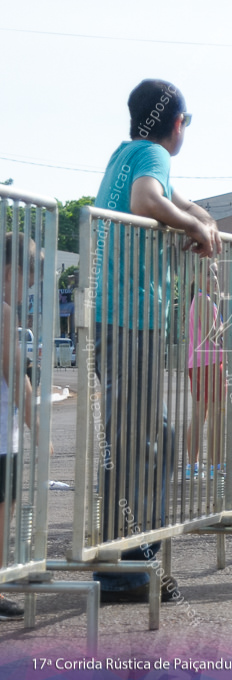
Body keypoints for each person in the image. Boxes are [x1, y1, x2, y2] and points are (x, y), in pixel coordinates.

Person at [92, 79, 221, 603]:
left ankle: (136, 547)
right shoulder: (151, 155)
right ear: (177, 124)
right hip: (127, 319)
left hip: (120, 319)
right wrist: (192, 225)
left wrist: (197, 223)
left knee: (158, 437)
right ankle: (121, 562)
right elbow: (150, 200)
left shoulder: (126, 153)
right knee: (130, 439)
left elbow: (192, 210)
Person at [0, 233, 39, 620]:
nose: (27, 294)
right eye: (28, 284)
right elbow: (15, 371)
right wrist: (37, 426)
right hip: (0, 439)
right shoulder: (4, 312)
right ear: (11, 272)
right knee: (2, 510)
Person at [185, 263, 232, 481]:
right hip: (211, 362)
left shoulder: (200, 300)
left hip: (199, 362)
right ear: (196, 276)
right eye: (208, 273)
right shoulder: (204, 300)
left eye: (215, 273)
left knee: (200, 413)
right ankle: (216, 466)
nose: (214, 277)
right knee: (216, 414)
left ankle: (193, 465)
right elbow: (213, 335)